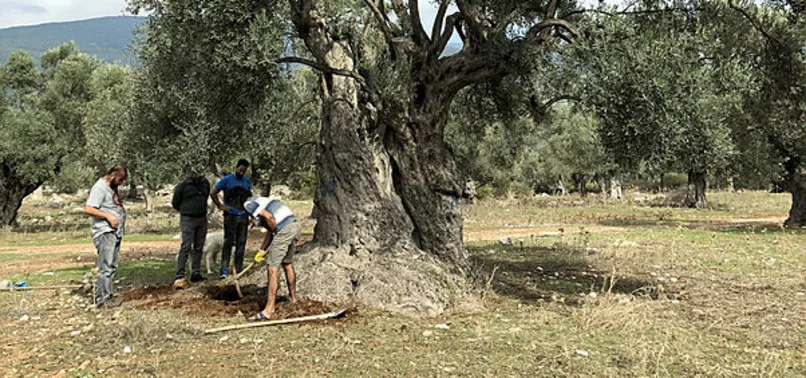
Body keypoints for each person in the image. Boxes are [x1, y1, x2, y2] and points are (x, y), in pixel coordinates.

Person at [243, 196, 301, 321]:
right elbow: (271, 231)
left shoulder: (248, 204)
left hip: (284, 229)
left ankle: (268, 310)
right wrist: (261, 251)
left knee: (272, 267)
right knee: (287, 263)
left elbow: (269, 218)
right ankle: (293, 299)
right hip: (294, 225)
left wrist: (276, 231)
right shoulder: (263, 201)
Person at [83, 164, 127, 308]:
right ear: (113, 175)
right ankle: (102, 299)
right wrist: (108, 216)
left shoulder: (110, 188)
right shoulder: (99, 188)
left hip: (114, 232)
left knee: (112, 265)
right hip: (105, 232)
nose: (122, 183)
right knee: (105, 266)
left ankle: (108, 295)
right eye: (120, 179)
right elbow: (89, 208)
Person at [210, 159, 252, 278]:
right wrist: (220, 206)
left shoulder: (246, 182)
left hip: (243, 215)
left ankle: (238, 269)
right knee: (228, 242)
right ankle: (224, 270)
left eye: (244, 170)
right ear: (236, 167)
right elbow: (213, 193)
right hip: (230, 216)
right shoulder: (226, 180)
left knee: (241, 243)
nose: (242, 172)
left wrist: (250, 215)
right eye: (240, 169)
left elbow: (249, 198)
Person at [171, 169, 210, 286]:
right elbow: (175, 203)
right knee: (186, 246)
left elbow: (206, 196)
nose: (195, 174)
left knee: (199, 246)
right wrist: (186, 210)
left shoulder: (204, 183)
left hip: (202, 218)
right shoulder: (182, 186)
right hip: (188, 218)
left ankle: (195, 273)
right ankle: (180, 274)